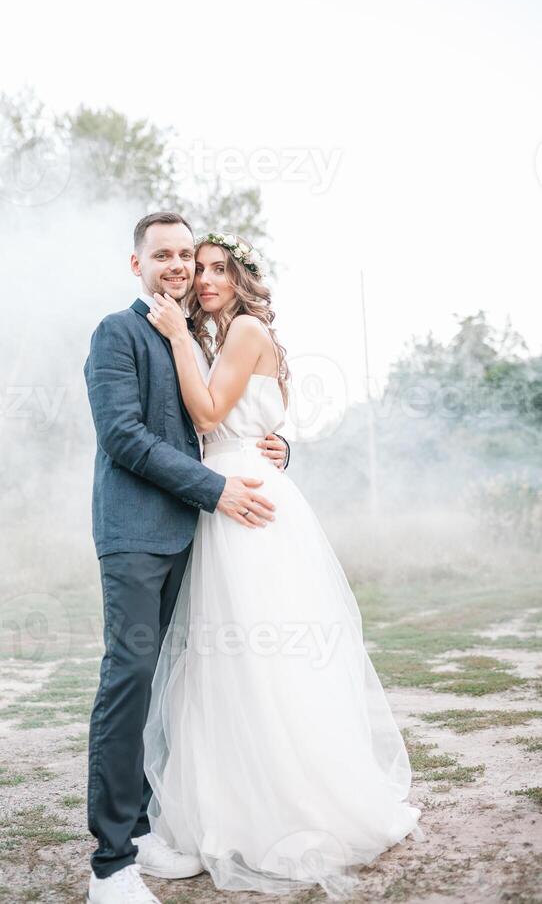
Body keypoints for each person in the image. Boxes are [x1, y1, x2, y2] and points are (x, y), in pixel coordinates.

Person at [142, 231, 424, 900]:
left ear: (242, 279)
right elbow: (238, 424)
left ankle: (282, 806)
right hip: (234, 495)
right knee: (226, 659)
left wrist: (179, 337)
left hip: (246, 511)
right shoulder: (229, 339)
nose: (204, 279)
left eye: (218, 269)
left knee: (254, 653)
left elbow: (210, 411)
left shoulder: (236, 333)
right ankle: (233, 797)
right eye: (198, 269)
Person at [83, 212, 291, 904]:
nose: (180, 267)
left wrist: (279, 448)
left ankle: (145, 829)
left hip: (192, 533)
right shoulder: (119, 332)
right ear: (135, 263)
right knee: (129, 680)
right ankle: (110, 865)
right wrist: (217, 489)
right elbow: (125, 438)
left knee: (170, 687)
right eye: (165, 255)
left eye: (188, 256)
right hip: (138, 533)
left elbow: (224, 417)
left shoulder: (194, 336)